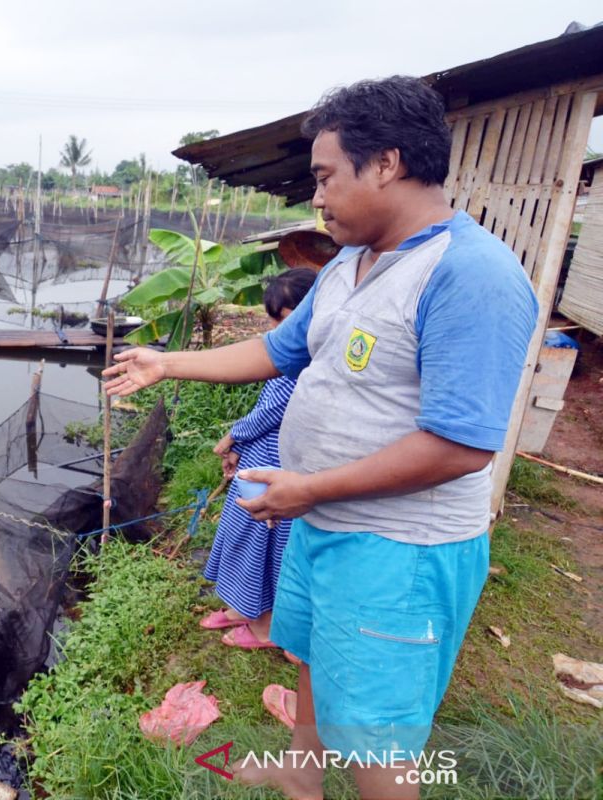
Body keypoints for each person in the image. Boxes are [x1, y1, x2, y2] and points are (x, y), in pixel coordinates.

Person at [103, 76, 537, 800]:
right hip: (321, 524)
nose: (318, 197)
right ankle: (302, 777)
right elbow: (279, 352)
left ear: (387, 164)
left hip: (400, 552)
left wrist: (310, 487)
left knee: (377, 730)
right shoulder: (348, 264)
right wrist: (165, 363)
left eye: (326, 176)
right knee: (307, 657)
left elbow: (462, 446)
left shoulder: (470, 275)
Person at [200, 268, 317, 653]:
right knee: (239, 531)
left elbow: (271, 412)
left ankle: (265, 626)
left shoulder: (308, 366)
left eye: (282, 320)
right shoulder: (286, 357)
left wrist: (233, 435)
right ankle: (242, 608)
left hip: (277, 469)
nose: (274, 329)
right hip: (257, 459)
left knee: (263, 546)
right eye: (271, 319)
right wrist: (239, 446)